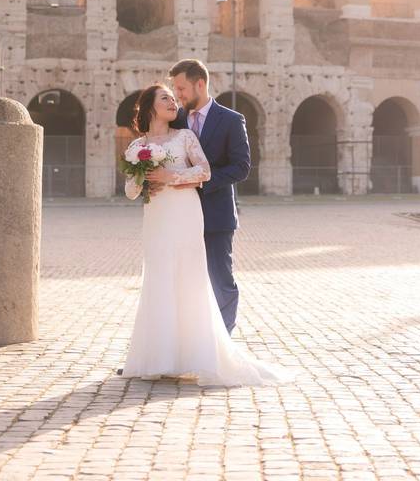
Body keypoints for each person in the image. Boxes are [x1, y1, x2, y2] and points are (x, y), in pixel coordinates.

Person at [120, 84, 291, 386]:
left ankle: (195, 355)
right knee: (158, 278)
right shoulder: (137, 147)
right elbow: (130, 192)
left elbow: (206, 171)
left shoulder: (185, 137)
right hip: (156, 216)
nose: (174, 102)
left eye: (174, 98)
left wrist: (170, 177)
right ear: (149, 107)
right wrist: (144, 181)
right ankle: (159, 357)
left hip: (185, 212)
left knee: (188, 277)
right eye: (166, 98)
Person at [155, 59, 250, 334]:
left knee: (221, 281)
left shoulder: (232, 120)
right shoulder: (178, 119)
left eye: (182, 88)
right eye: (175, 90)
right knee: (180, 282)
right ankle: (180, 347)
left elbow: (241, 167)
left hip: (216, 215)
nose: (179, 96)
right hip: (179, 214)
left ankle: (223, 348)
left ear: (200, 83)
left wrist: (201, 182)